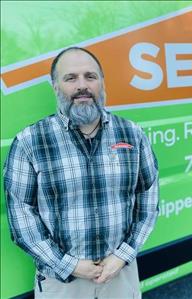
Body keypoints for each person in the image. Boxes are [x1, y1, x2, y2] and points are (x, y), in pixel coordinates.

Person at [3, 47, 159, 299]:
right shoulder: (30, 141)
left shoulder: (132, 134)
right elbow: (21, 216)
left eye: (90, 76)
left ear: (102, 83)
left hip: (120, 273)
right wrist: (69, 265)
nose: (82, 86)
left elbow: (148, 200)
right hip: (61, 282)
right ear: (56, 86)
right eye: (71, 78)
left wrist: (123, 255)